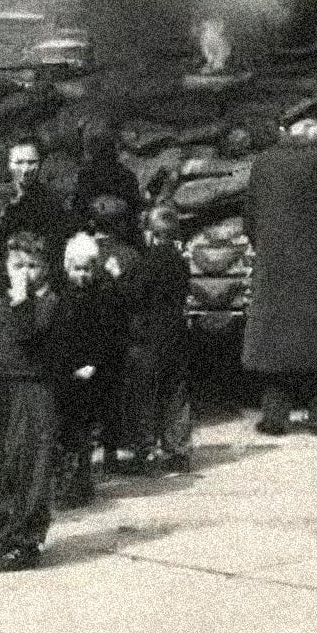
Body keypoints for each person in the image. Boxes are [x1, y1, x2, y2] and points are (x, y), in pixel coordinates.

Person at [241, 113, 317, 436]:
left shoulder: (262, 163)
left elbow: (250, 218)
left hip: (273, 265)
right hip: (315, 263)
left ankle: (275, 415)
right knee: (316, 337)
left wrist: (266, 246)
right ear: (302, 130)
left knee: (275, 340)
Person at [0, 230, 66, 572]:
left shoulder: (47, 303)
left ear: (46, 267)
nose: (24, 272)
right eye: (17, 265)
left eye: (32, 265)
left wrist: (21, 298)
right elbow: (2, 346)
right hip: (5, 386)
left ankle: (27, 541)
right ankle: (6, 534)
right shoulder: (10, 299)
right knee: (3, 463)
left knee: (29, 464)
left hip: (33, 389)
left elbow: (28, 336)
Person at [115, 198, 194, 475]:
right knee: (175, 394)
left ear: (149, 233)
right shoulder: (181, 264)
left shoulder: (145, 263)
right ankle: (178, 450)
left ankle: (146, 451)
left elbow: (133, 296)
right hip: (176, 336)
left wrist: (118, 275)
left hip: (148, 338)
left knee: (145, 394)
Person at [50, 230, 122, 504]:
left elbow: (105, 334)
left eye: (87, 269)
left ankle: (78, 486)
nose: (82, 275)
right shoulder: (64, 296)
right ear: (67, 267)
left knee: (80, 432)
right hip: (67, 371)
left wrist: (93, 363)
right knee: (67, 432)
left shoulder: (98, 296)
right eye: (77, 269)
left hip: (87, 372)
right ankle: (68, 485)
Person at [0, 137, 76, 249]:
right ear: (9, 164)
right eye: (18, 162)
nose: (25, 169)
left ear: (40, 163)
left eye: (31, 162)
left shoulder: (51, 203)